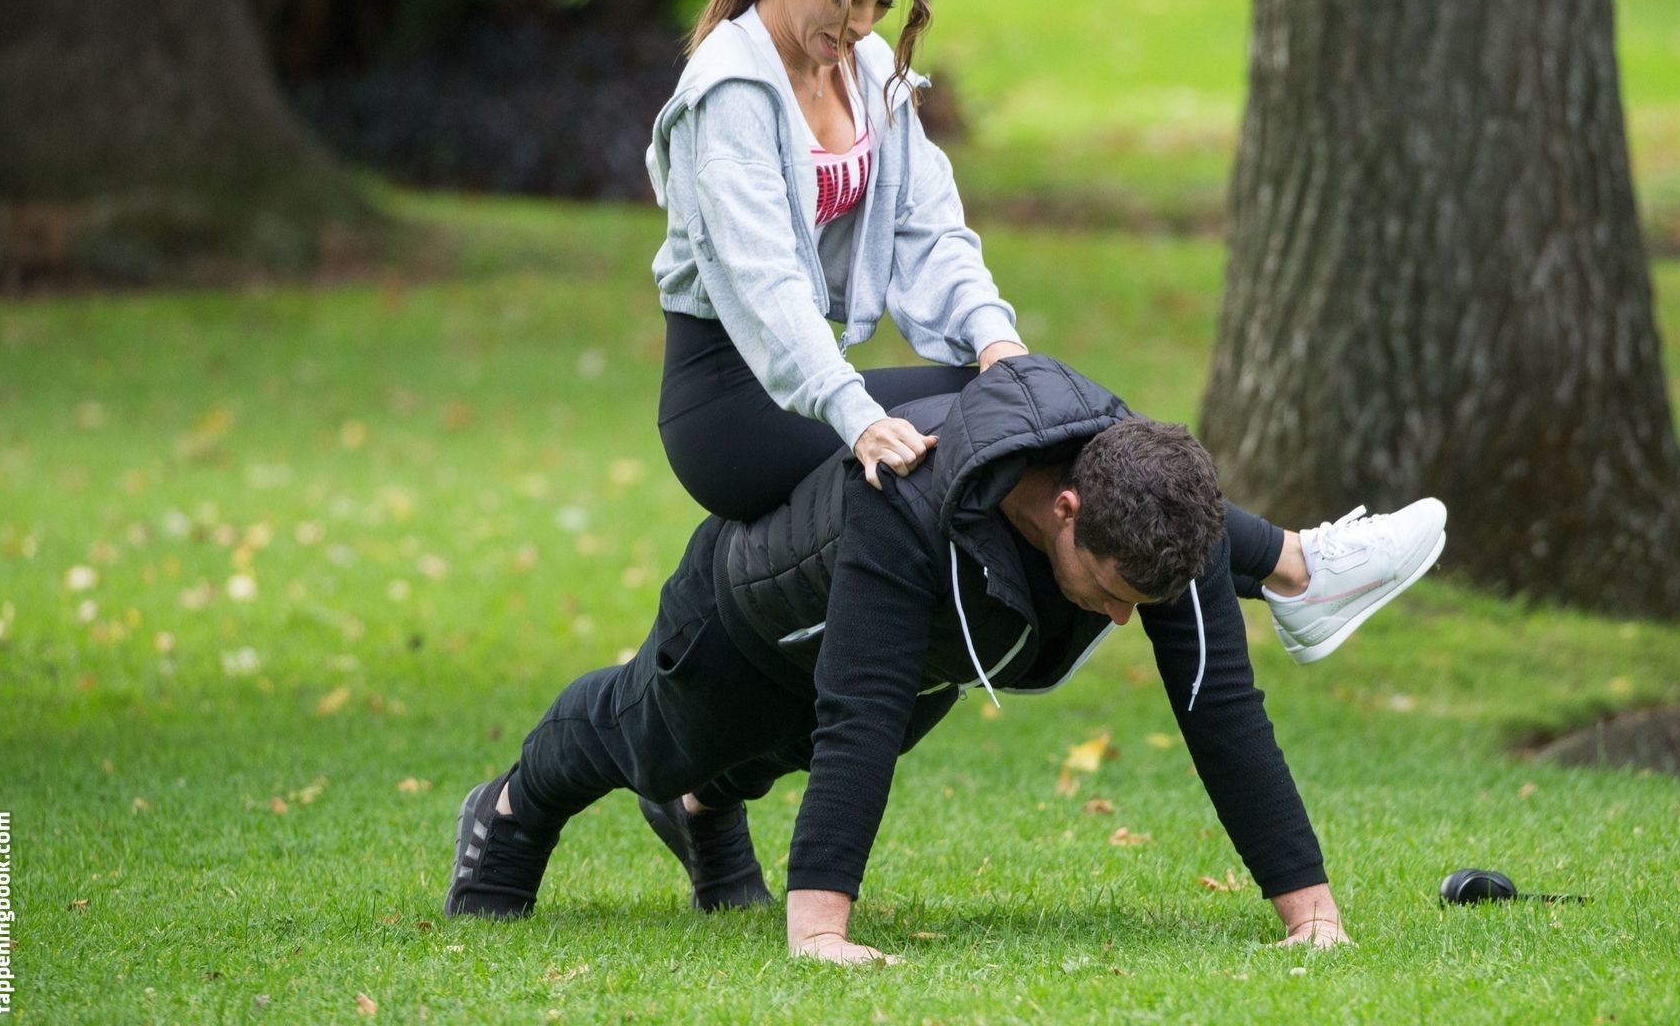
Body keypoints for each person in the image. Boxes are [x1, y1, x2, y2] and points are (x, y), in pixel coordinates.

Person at [645, 0, 1429, 664]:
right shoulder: (731, 90)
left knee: (1049, 408)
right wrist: (857, 415)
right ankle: (1295, 569)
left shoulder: (865, 70)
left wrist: (996, 344)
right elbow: (765, 287)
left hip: (805, 388)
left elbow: (929, 230)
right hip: (732, 412)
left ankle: (1291, 573)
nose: (860, 24)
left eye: (880, 2)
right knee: (1030, 427)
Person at [446, 354, 1449, 960]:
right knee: (652, 739)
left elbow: (1219, 707)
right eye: (1108, 591)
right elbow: (858, 711)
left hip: (909, 654)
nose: (1119, 619)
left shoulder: (1155, 511)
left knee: (770, 753)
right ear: (1067, 508)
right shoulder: (914, 495)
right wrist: (821, 931)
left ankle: (705, 809)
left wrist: (1312, 916)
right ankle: (510, 809)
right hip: (748, 620)